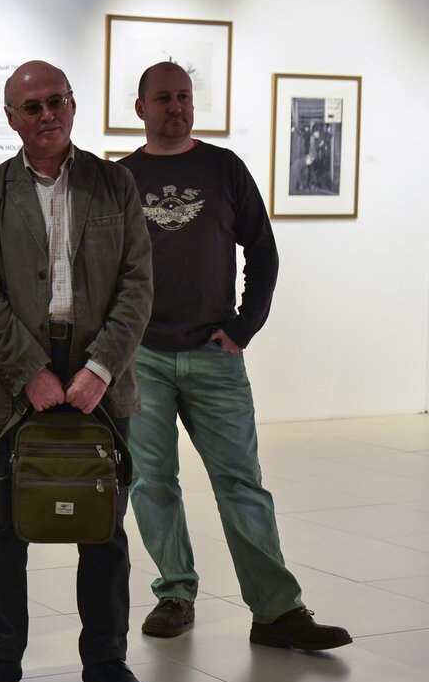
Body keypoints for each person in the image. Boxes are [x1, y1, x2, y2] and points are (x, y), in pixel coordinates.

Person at [120, 61, 351, 651]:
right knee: (152, 483)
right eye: (163, 98)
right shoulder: (122, 178)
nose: (176, 106)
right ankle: (175, 593)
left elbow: (263, 253)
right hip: (141, 357)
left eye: (184, 96)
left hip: (213, 354)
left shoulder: (224, 168)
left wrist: (244, 326)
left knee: (242, 484)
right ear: (140, 107)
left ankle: (276, 611)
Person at [0, 61, 153, 682]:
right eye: (32, 106)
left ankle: (107, 660)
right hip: (16, 379)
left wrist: (101, 368)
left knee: (104, 527)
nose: (47, 115)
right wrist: (28, 371)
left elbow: (138, 286)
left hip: (101, 377)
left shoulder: (115, 184)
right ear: (11, 118)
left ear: (72, 104)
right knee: (3, 527)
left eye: (56, 101)